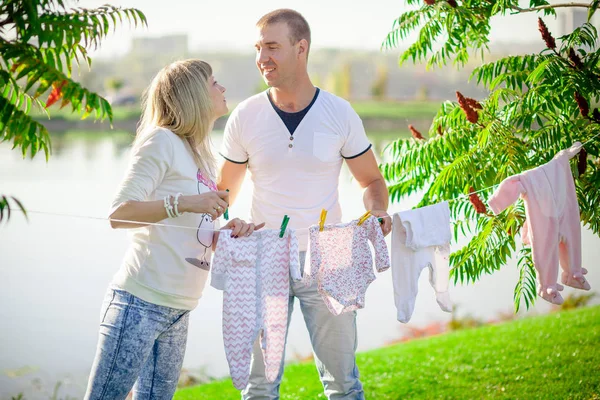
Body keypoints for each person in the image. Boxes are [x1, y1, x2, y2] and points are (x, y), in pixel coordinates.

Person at [218, 9, 391, 400]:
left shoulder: (339, 113)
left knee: (343, 385)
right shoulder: (245, 116)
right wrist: (230, 222)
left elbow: (372, 181)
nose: (262, 57)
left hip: (330, 256)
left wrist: (377, 210)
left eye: (272, 47)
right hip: (265, 257)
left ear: (301, 48)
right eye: (258, 48)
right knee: (259, 387)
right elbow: (223, 195)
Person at [84, 59, 261, 400]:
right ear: (193, 95)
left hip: (179, 308)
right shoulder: (161, 141)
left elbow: (194, 231)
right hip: (140, 303)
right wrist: (183, 203)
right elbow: (119, 214)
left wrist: (227, 234)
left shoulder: (202, 156)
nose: (222, 88)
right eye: (214, 83)